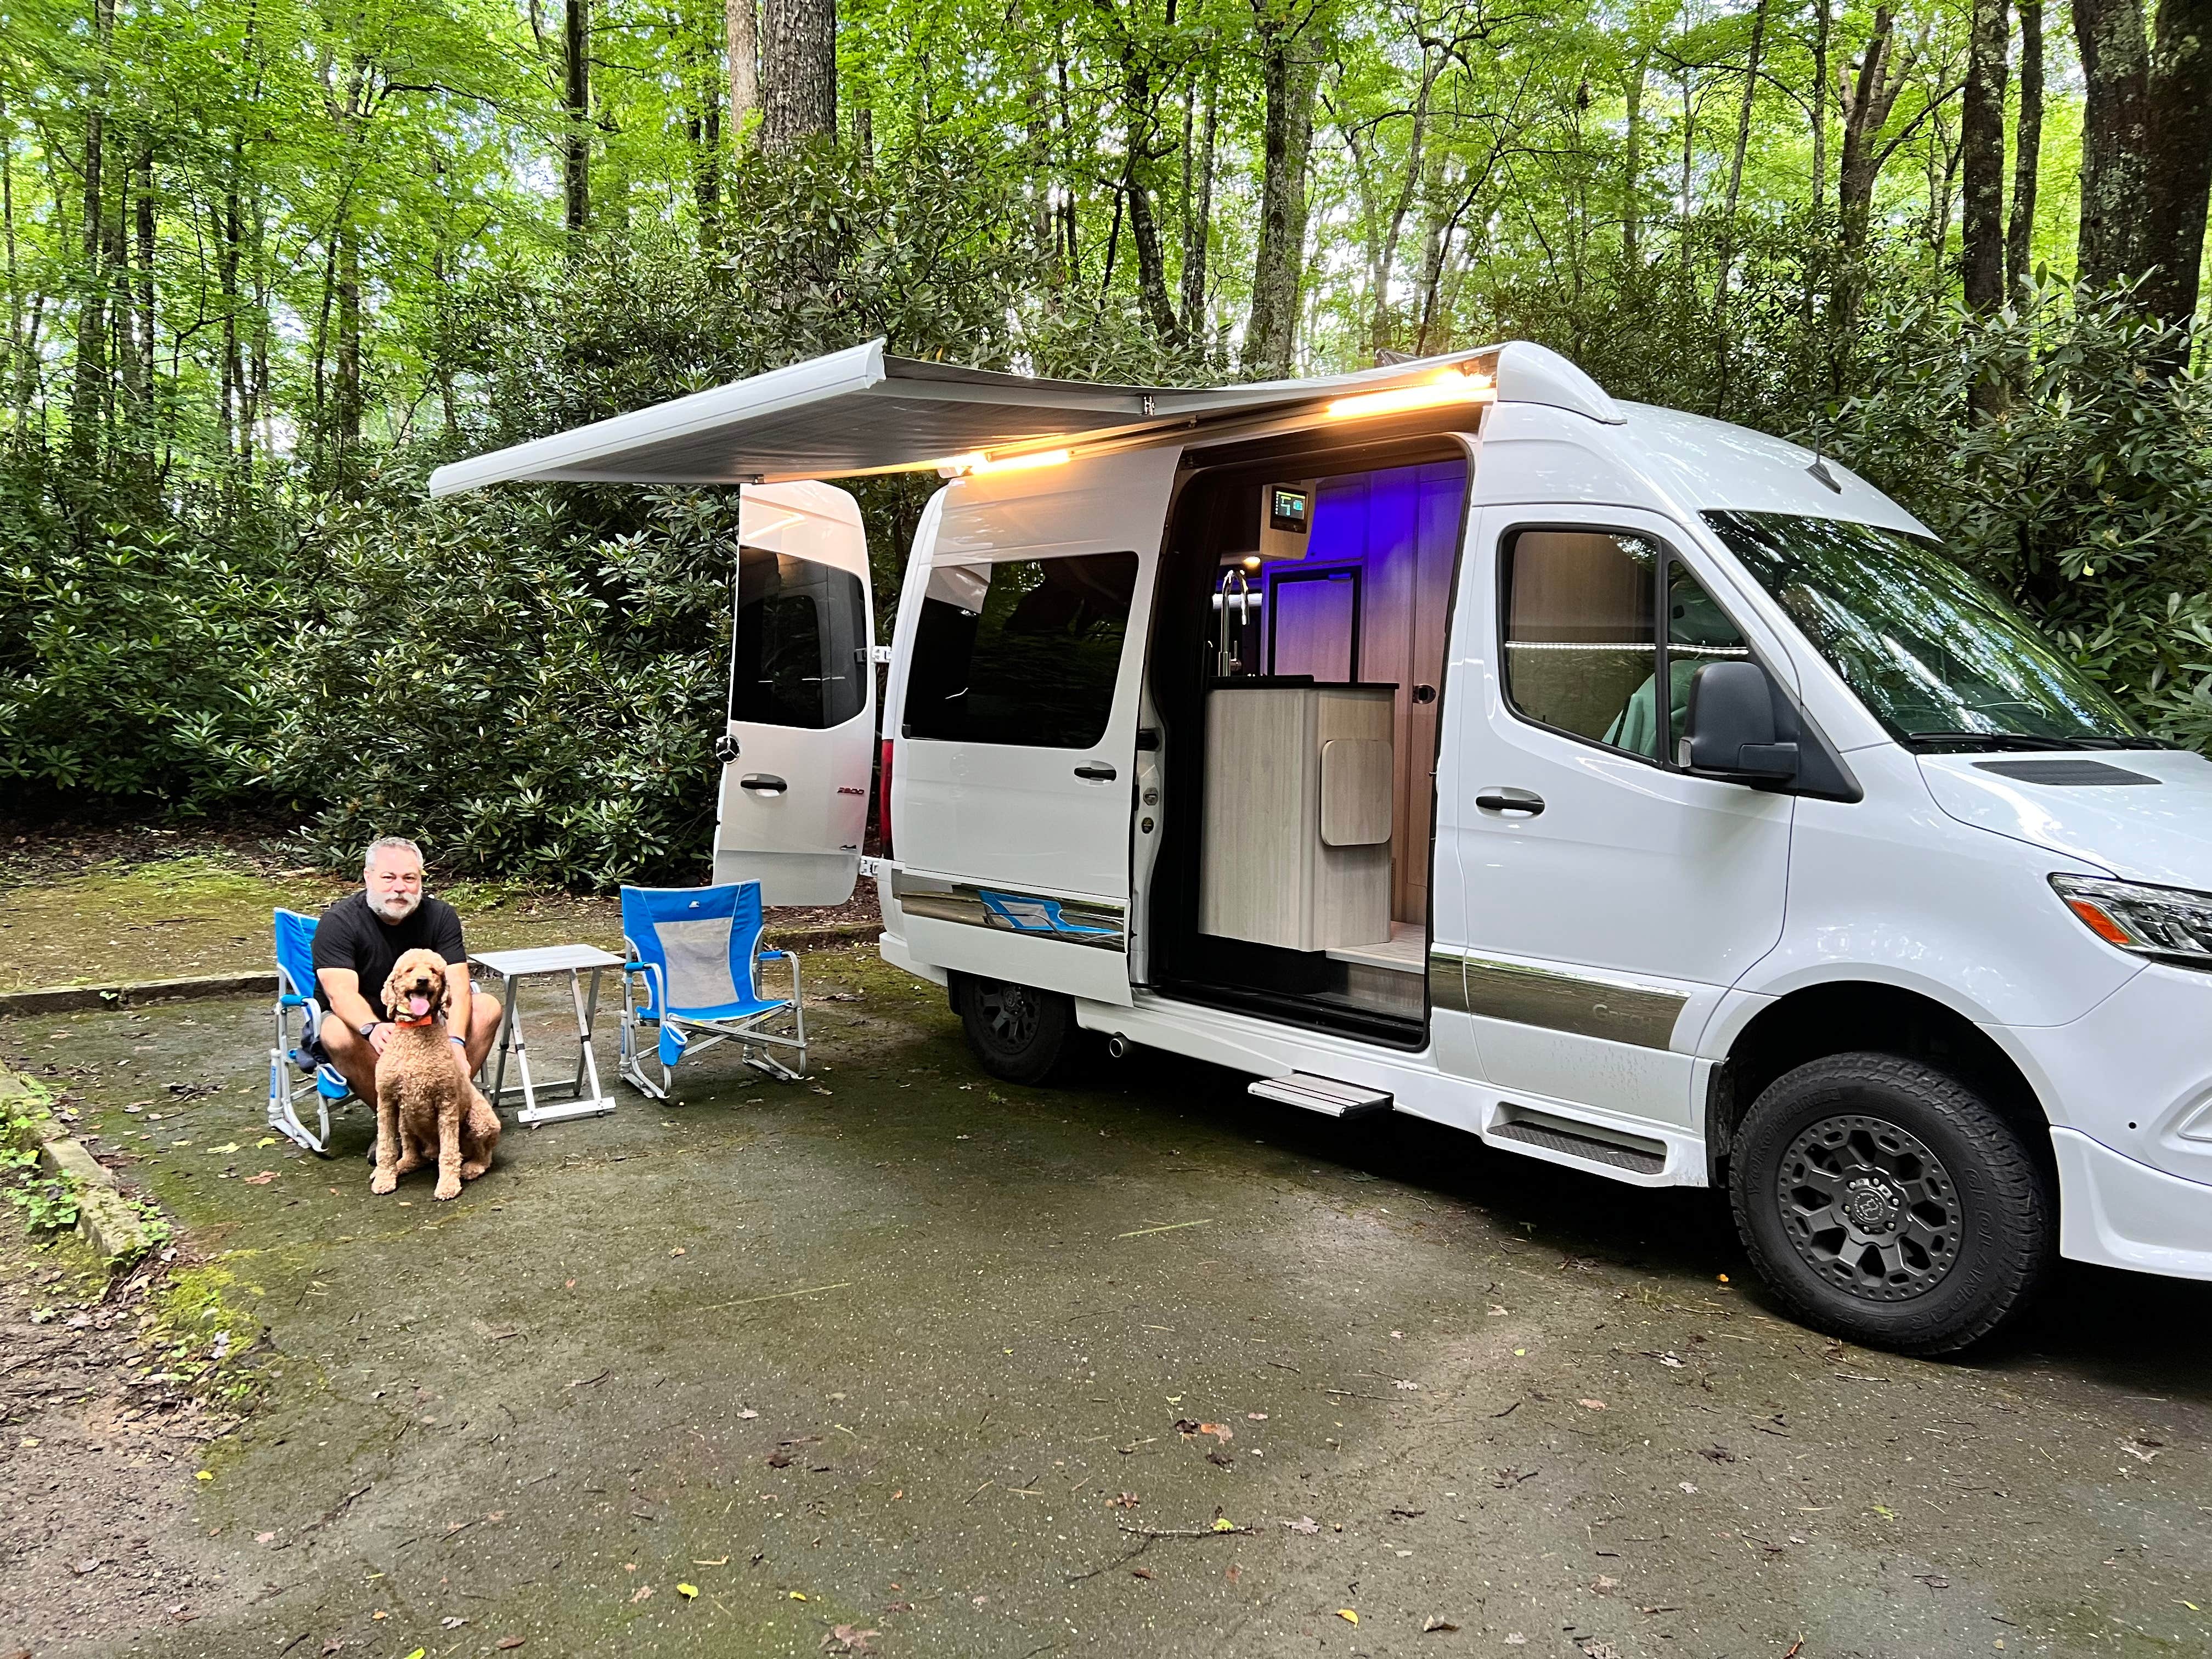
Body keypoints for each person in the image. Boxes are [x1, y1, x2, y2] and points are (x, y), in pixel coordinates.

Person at [310, 837, 502, 1135]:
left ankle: (449, 1112)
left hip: (430, 1023)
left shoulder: (440, 916)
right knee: (335, 1032)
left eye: (409, 878)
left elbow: (460, 987)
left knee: (487, 1007)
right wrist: (372, 1028)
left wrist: (455, 1042)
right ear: (368, 877)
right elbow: (340, 993)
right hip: (369, 1024)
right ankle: (398, 1128)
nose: (399, 887)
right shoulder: (339, 922)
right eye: (389, 878)